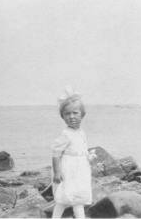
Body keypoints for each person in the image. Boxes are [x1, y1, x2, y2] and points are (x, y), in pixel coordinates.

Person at [51, 87, 96, 218]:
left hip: (80, 169)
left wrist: (89, 157)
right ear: (62, 116)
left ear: (82, 114)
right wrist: (57, 172)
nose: (71, 117)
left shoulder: (81, 132)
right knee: (63, 197)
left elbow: (81, 149)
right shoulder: (66, 134)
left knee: (78, 198)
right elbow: (56, 153)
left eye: (75, 113)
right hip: (68, 169)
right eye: (67, 114)